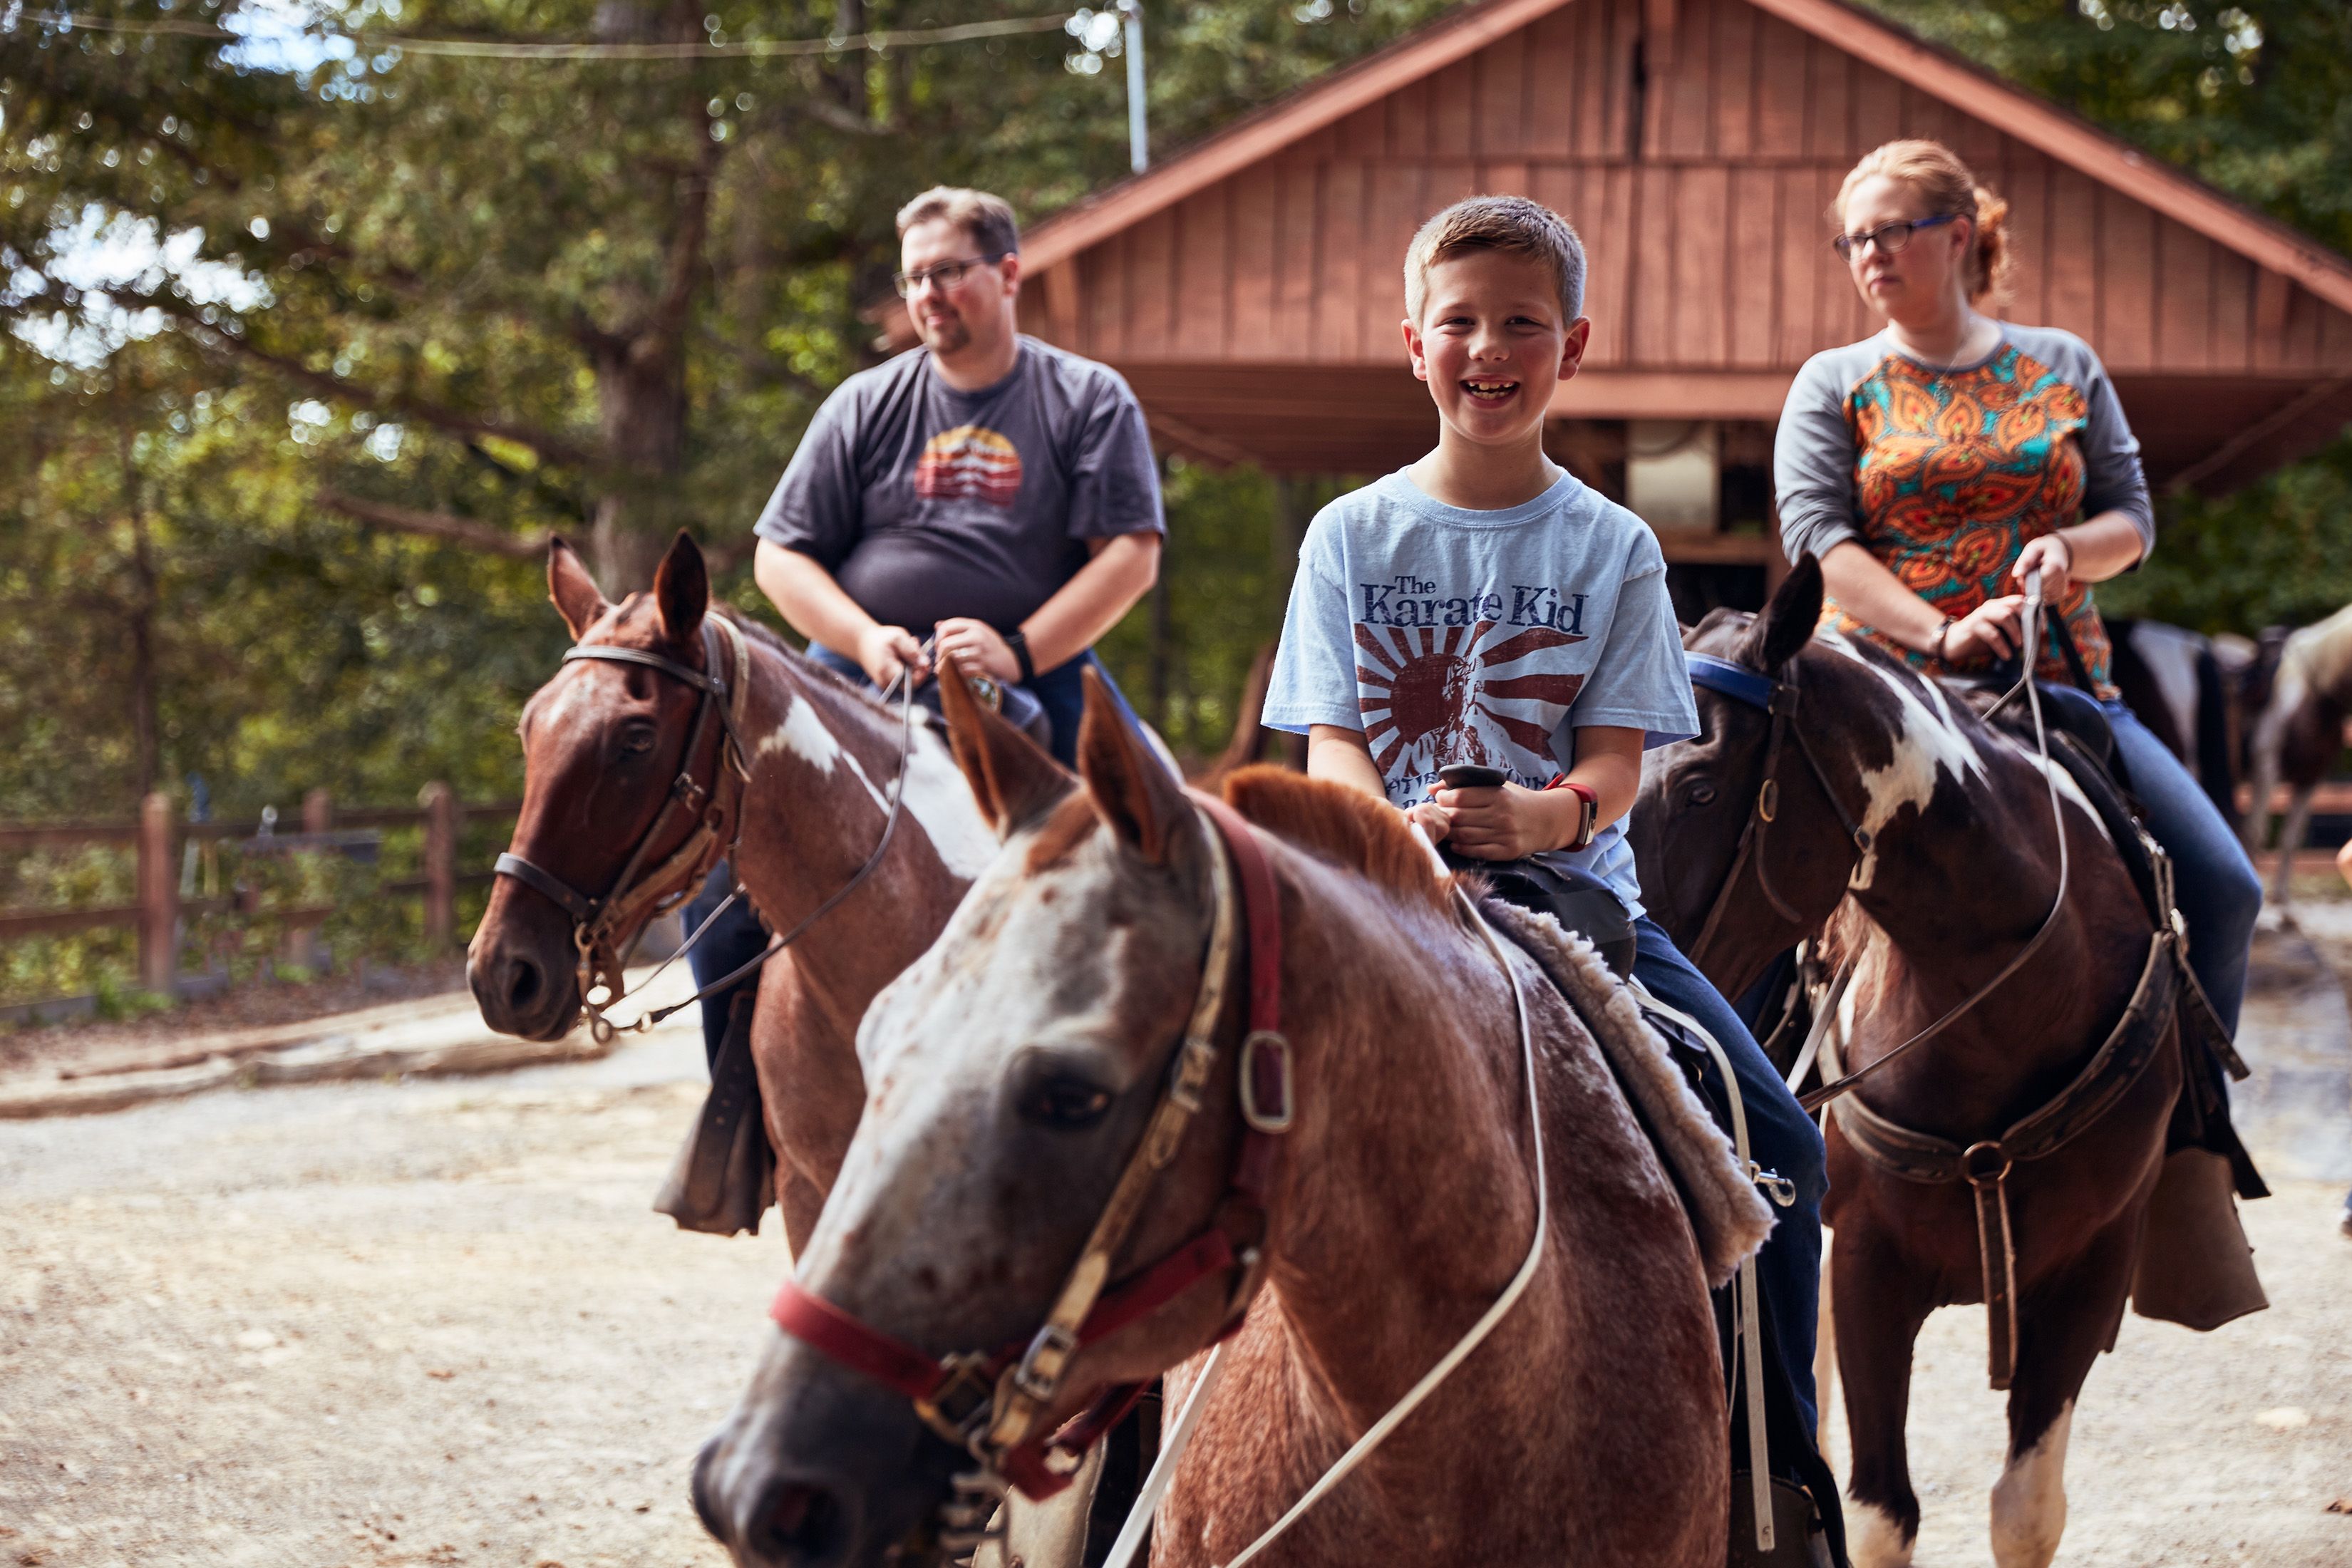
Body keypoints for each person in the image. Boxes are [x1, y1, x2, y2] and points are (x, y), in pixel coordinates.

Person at [1262, 196, 1835, 1512]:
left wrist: (1541, 818)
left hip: (1577, 909)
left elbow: (1620, 764)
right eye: (1458, 321)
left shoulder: (1613, 546)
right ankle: (1099, 1497)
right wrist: (1388, 827)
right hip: (1384, 899)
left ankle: (1776, 1485)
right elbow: (1331, 744)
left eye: (1522, 322)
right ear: (1414, 344)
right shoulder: (1350, 534)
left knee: (1786, 1153)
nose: (1488, 346)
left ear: (1572, 347)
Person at [1773, 138, 2264, 1060]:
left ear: (1959, 235)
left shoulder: (2063, 363)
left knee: (2226, 888)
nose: (1870, 254)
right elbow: (1819, 546)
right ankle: (1748, 1147)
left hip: (2058, 689)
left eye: (1892, 231)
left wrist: (2067, 548)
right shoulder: (1832, 382)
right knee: (1752, 911)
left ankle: (2194, 1134)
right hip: (1875, 698)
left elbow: (2133, 520)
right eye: (1853, 240)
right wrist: (1944, 633)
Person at [751, 185, 1164, 768]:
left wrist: (1017, 654)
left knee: (1153, 825)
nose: (927, 295)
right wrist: (865, 639)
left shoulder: (1089, 399)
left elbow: (1131, 556)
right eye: (913, 279)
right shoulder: (861, 403)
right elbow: (777, 555)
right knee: (745, 815)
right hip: (859, 661)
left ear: (1010, 274)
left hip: (1041, 665)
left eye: (946, 272)